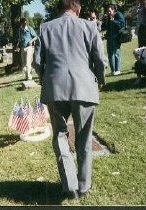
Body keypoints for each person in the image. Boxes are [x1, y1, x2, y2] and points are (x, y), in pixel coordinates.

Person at [38, 0, 106, 199]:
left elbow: (37, 62)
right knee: (84, 137)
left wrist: (45, 78)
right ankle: (84, 186)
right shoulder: (90, 26)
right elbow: (99, 59)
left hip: (54, 87)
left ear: (60, 9)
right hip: (84, 87)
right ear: (78, 9)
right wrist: (100, 80)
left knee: (59, 135)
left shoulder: (45, 27)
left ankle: (70, 186)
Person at [103, 4, 125, 76]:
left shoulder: (118, 15)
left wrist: (113, 21)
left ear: (113, 10)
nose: (108, 12)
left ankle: (117, 70)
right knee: (110, 54)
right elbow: (107, 27)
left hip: (116, 37)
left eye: (110, 11)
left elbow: (122, 25)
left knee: (116, 53)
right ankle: (113, 70)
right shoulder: (109, 17)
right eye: (107, 11)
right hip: (110, 38)